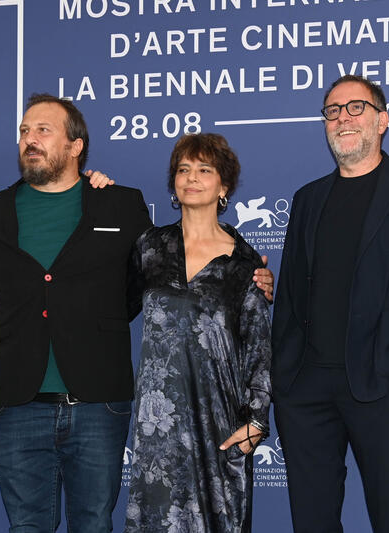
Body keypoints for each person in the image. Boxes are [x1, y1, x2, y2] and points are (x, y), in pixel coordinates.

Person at [0, 94, 275, 532]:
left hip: (106, 405)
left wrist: (260, 281)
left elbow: (143, 296)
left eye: (42, 130)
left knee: (94, 524)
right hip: (22, 403)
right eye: (23, 131)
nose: (29, 139)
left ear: (76, 146)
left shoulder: (121, 207)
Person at [271, 75, 389, 532]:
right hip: (306, 389)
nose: (343, 118)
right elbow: (291, 296)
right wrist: (283, 379)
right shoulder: (307, 199)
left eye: (355, 107)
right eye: (332, 111)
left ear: (383, 120)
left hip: (384, 384)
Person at [124, 133, 272, 532]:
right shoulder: (150, 247)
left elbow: (258, 345)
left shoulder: (244, 263)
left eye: (204, 170)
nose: (191, 177)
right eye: (183, 169)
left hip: (219, 418)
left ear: (223, 186)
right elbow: (114, 310)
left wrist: (257, 419)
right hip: (159, 423)